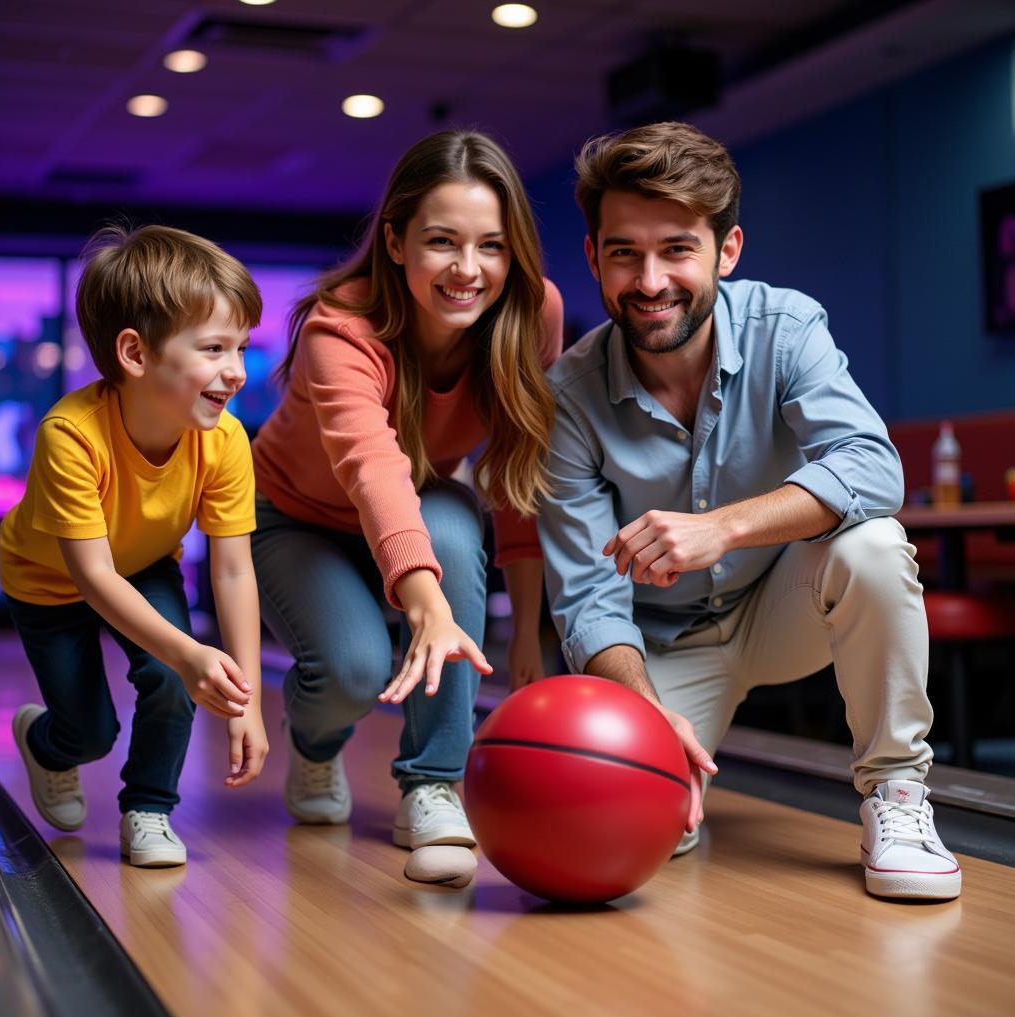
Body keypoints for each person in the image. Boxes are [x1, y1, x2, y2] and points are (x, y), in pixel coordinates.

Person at [536, 121, 961, 900]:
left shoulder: (786, 328)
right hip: (664, 649)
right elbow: (587, 600)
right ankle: (668, 768)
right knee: (635, 837)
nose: (651, 280)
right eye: (624, 251)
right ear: (594, 257)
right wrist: (644, 715)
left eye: (677, 249)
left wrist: (723, 526)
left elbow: (873, 467)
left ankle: (897, 794)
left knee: (873, 544)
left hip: (782, 605)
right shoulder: (567, 397)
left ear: (726, 251)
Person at [251, 130, 563, 849]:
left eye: (491, 245)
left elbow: (517, 463)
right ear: (395, 243)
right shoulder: (342, 328)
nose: (467, 269)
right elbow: (371, 465)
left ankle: (433, 783)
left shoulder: (529, 315)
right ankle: (315, 746)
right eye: (442, 242)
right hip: (295, 516)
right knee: (353, 674)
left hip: (419, 504)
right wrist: (426, 604)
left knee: (454, 528)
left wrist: (526, 627)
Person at [0, 225, 270, 868]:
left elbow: (233, 573)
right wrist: (190, 653)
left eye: (242, 348)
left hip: (144, 565)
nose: (235, 371)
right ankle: (43, 743)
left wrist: (246, 697)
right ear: (135, 353)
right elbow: (91, 576)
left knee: (174, 677)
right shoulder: (70, 434)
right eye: (214, 348)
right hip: (48, 580)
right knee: (90, 731)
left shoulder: (225, 439)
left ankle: (148, 809)